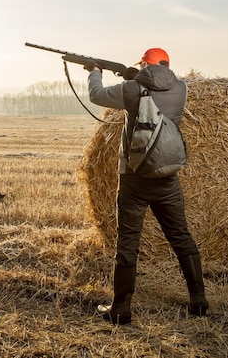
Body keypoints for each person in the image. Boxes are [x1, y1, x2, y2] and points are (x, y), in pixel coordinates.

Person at [86, 48, 208, 324]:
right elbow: (155, 84)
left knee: (128, 243)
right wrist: (137, 74)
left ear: (144, 64)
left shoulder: (131, 90)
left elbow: (96, 95)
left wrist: (95, 72)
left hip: (134, 178)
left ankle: (121, 308)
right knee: (181, 236)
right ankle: (199, 299)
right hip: (167, 179)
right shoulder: (181, 88)